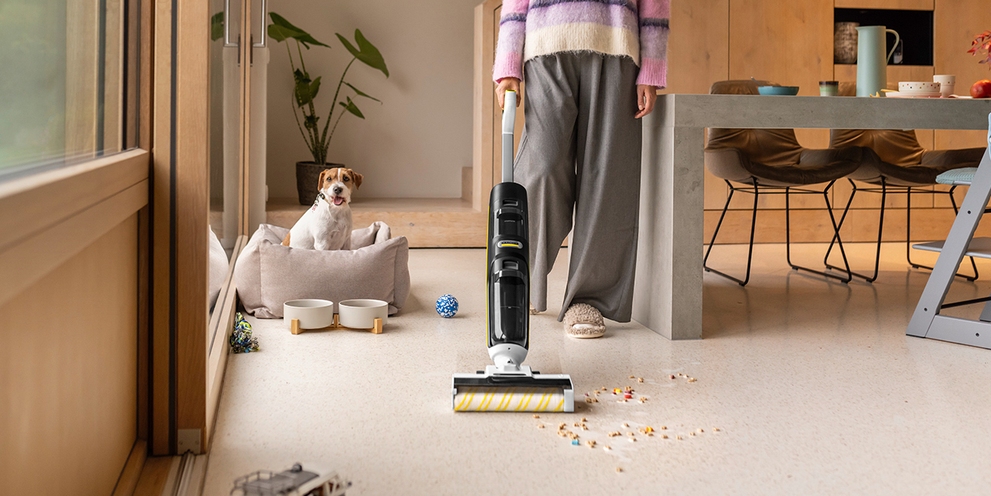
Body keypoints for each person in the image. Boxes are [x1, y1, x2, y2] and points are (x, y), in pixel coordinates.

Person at [493, 0, 669, 338]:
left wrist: (651, 68)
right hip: (546, 47)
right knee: (542, 166)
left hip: (616, 48)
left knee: (607, 177)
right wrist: (508, 66)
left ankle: (589, 299)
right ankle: (523, 275)